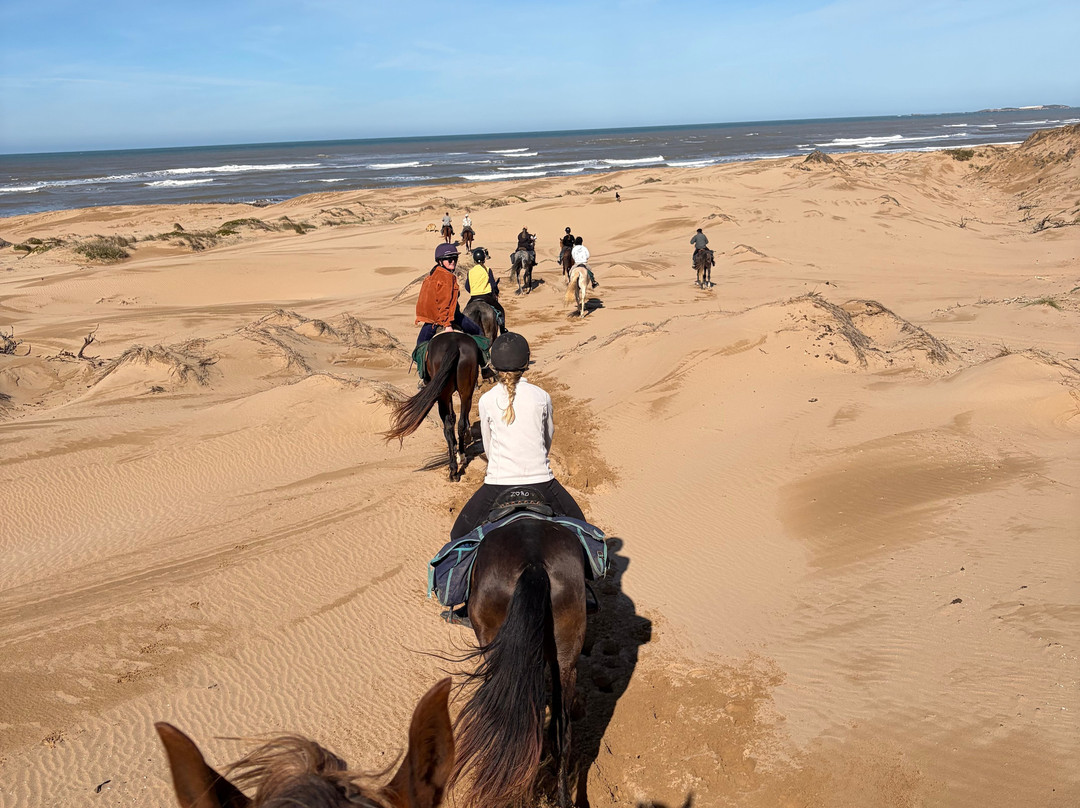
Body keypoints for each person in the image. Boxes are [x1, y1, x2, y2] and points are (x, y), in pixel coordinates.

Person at [450, 332, 585, 541]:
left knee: (458, 534)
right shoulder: (542, 396)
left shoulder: (486, 400)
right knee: (583, 527)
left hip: (498, 483)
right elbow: (548, 437)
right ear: (525, 363)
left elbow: (488, 445)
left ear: (494, 365)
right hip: (542, 481)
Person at [415, 243, 482, 352]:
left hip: (431, 321)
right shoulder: (447, 277)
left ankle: (419, 364)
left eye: (455, 258)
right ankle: (483, 361)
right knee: (478, 332)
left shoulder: (431, 275)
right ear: (440, 261)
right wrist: (447, 325)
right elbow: (444, 303)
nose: (453, 261)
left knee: (419, 347)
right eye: (449, 259)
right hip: (450, 317)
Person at [465, 247, 506, 334]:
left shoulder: (470, 272)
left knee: (465, 313)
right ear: (484, 259)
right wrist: (496, 292)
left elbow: (467, 287)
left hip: (473, 297)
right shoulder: (487, 270)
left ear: (474, 260)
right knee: (501, 310)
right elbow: (493, 285)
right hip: (486, 297)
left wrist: (474, 291)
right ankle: (503, 330)